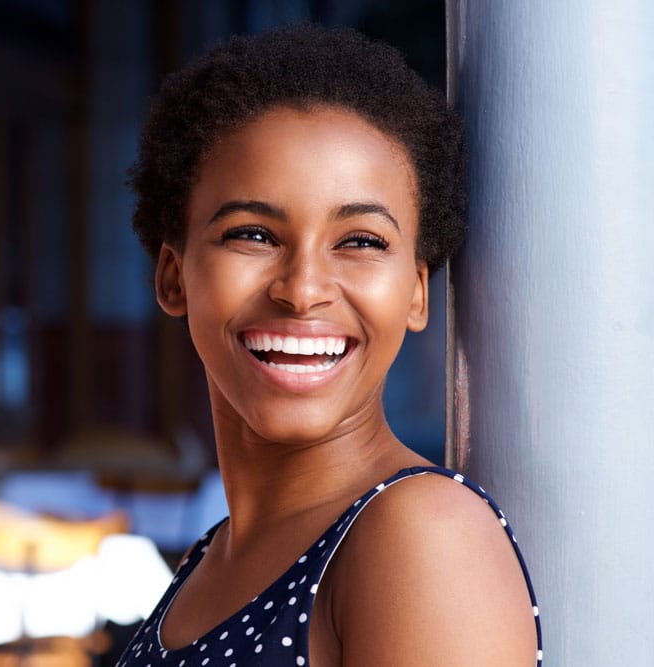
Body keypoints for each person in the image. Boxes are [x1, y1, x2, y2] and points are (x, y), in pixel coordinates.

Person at [117, 24, 542, 666]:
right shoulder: (207, 559)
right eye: (253, 234)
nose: (303, 289)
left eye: (362, 241)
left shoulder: (420, 536)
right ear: (175, 277)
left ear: (417, 294)